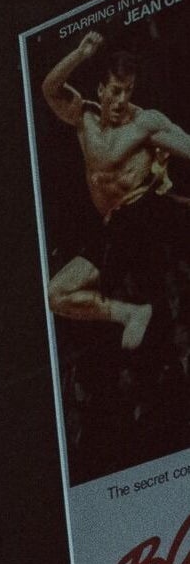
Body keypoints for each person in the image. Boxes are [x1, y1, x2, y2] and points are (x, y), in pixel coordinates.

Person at [42, 32, 190, 351]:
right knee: (58, 295)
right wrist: (80, 53)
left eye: (128, 91)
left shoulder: (145, 124)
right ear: (101, 89)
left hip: (142, 213)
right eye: (116, 90)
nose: (122, 100)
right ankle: (131, 314)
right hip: (112, 228)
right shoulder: (85, 119)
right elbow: (49, 89)